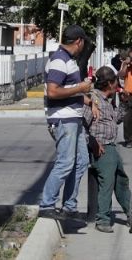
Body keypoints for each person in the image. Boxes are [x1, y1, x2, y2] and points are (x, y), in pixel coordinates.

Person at [39, 25, 95, 220]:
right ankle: (46, 205)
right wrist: (80, 87)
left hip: (74, 117)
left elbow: (67, 89)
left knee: (81, 161)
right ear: (78, 41)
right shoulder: (59, 61)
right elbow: (53, 91)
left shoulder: (67, 60)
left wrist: (85, 98)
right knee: (65, 163)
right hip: (64, 119)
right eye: (83, 43)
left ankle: (69, 207)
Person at [84, 66, 130, 233]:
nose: (117, 84)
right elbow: (83, 125)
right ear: (110, 83)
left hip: (111, 146)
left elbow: (116, 119)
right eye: (116, 81)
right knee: (107, 184)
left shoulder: (106, 101)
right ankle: (102, 219)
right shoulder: (93, 100)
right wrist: (93, 144)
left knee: (121, 181)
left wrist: (124, 103)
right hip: (102, 148)